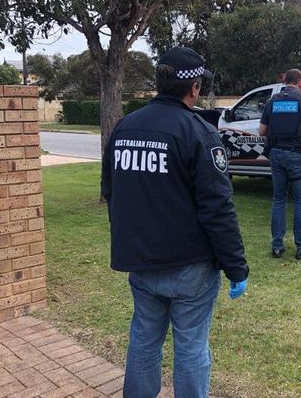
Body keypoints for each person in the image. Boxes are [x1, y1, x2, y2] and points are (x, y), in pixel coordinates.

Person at [101, 46, 249, 398]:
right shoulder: (197, 132)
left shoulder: (125, 127)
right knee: (191, 346)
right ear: (194, 88)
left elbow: (111, 190)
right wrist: (236, 268)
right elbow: (218, 208)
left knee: (144, 339)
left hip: (141, 261)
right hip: (189, 267)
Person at [259, 69, 301, 260]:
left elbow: (262, 130)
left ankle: (277, 246)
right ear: (300, 82)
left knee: (278, 199)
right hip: (297, 155)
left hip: (276, 154)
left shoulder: (272, 102)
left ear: (284, 81)